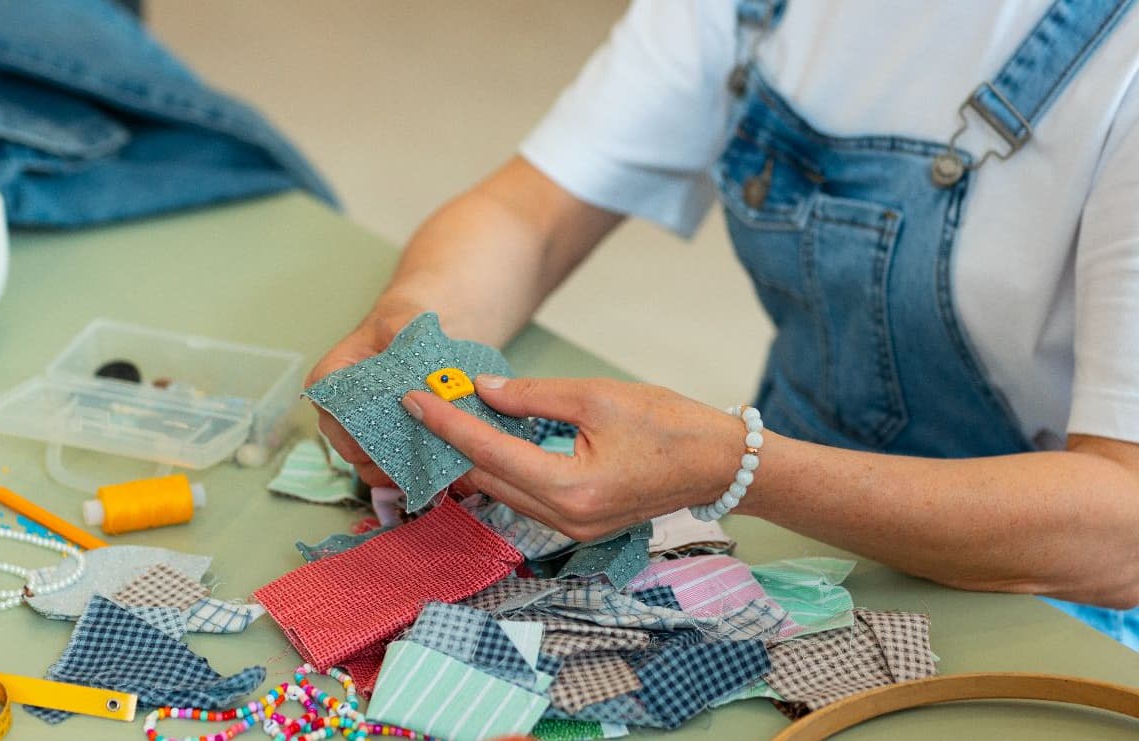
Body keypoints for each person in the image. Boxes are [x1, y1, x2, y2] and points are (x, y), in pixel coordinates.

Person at [310, 0, 1139, 649]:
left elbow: (1119, 531)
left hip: (1055, 590)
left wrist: (738, 464)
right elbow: (531, 214)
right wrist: (407, 333)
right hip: (789, 520)